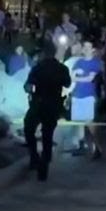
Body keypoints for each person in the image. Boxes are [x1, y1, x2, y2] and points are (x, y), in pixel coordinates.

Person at [23, 47, 72, 181]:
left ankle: (34, 157)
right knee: (47, 135)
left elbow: (27, 85)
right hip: (53, 105)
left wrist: (31, 90)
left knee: (29, 129)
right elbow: (67, 84)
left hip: (38, 103)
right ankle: (44, 163)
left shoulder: (38, 67)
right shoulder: (62, 68)